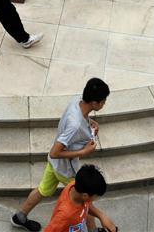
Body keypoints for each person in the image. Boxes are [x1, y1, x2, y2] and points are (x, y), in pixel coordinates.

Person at [12, 78, 110, 232]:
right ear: (94, 103)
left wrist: (90, 122)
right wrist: (83, 152)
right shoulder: (75, 124)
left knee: (42, 190)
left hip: (54, 164)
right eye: (103, 101)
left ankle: (19, 217)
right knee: (86, 198)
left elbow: (79, 118)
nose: (104, 103)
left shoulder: (77, 101)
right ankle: (93, 230)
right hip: (66, 168)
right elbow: (55, 152)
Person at [44, 165, 117, 232]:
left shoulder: (75, 185)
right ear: (85, 196)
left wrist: (102, 216)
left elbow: (87, 206)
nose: (95, 199)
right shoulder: (65, 215)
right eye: (96, 197)